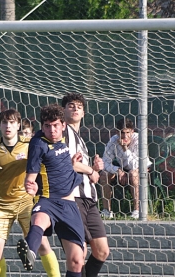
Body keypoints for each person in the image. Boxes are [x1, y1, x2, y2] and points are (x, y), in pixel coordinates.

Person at [0, 109, 60, 277]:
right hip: (0, 204)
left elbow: (47, 160)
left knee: (42, 244)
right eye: (4, 122)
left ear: (18, 125)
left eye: (11, 122)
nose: (7, 126)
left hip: (26, 202)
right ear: (0, 125)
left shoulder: (30, 144)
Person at [18, 104, 85, 277]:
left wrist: (74, 164)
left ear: (63, 125)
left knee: (77, 260)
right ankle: (30, 251)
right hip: (48, 200)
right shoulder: (39, 144)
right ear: (42, 127)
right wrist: (31, 187)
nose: (52, 130)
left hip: (69, 204)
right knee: (39, 220)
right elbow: (30, 179)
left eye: (55, 125)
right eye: (47, 126)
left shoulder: (63, 138)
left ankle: (31, 248)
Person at [61, 93, 109, 277]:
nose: (75, 109)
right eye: (71, 105)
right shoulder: (63, 131)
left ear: (84, 113)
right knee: (77, 256)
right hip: (73, 199)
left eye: (79, 107)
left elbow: (81, 168)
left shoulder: (79, 139)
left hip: (89, 199)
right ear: (63, 110)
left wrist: (94, 169)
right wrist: (91, 171)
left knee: (102, 251)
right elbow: (69, 163)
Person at [98, 118, 151, 219]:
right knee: (104, 174)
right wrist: (117, 170)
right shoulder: (113, 140)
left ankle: (137, 211)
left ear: (132, 131)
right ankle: (106, 211)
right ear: (117, 132)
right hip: (121, 168)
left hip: (140, 167)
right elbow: (105, 162)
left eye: (128, 132)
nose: (125, 136)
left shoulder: (138, 139)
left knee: (133, 174)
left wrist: (125, 149)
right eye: (122, 133)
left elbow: (135, 165)